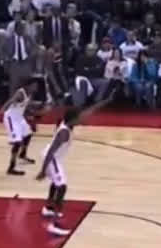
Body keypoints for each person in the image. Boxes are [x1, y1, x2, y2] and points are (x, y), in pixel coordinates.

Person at [36, 90, 113, 236]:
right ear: (73, 119)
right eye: (79, 118)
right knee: (62, 187)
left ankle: (48, 208)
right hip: (51, 158)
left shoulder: (69, 123)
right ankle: (53, 224)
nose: (82, 119)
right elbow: (51, 151)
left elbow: (90, 111)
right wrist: (43, 170)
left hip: (52, 156)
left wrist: (106, 100)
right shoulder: (64, 132)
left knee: (56, 182)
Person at [1, 83, 39, 175]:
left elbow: (25, 107)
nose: (36, 87)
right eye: (34, 85)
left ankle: (22, 154)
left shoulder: (30, 94)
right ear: (29, 85)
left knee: (28, 134)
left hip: (19, 118)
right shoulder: (21, 93)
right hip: (11, 118)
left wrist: (32, 115)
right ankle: (11, 167)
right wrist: (2, 109)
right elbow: (11, 101)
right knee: (17, 142)